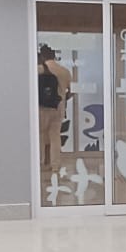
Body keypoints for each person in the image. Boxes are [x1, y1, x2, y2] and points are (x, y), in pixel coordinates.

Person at [37, 45, 72, 174]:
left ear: (43, 56)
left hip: (42, 107)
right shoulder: (65, 71)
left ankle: (40, 163)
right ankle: (55, 165)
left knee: (40, 135)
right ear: (54, 55)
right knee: (55, 136)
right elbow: (70, 91)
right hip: (58, 107)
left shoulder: (38, 69)